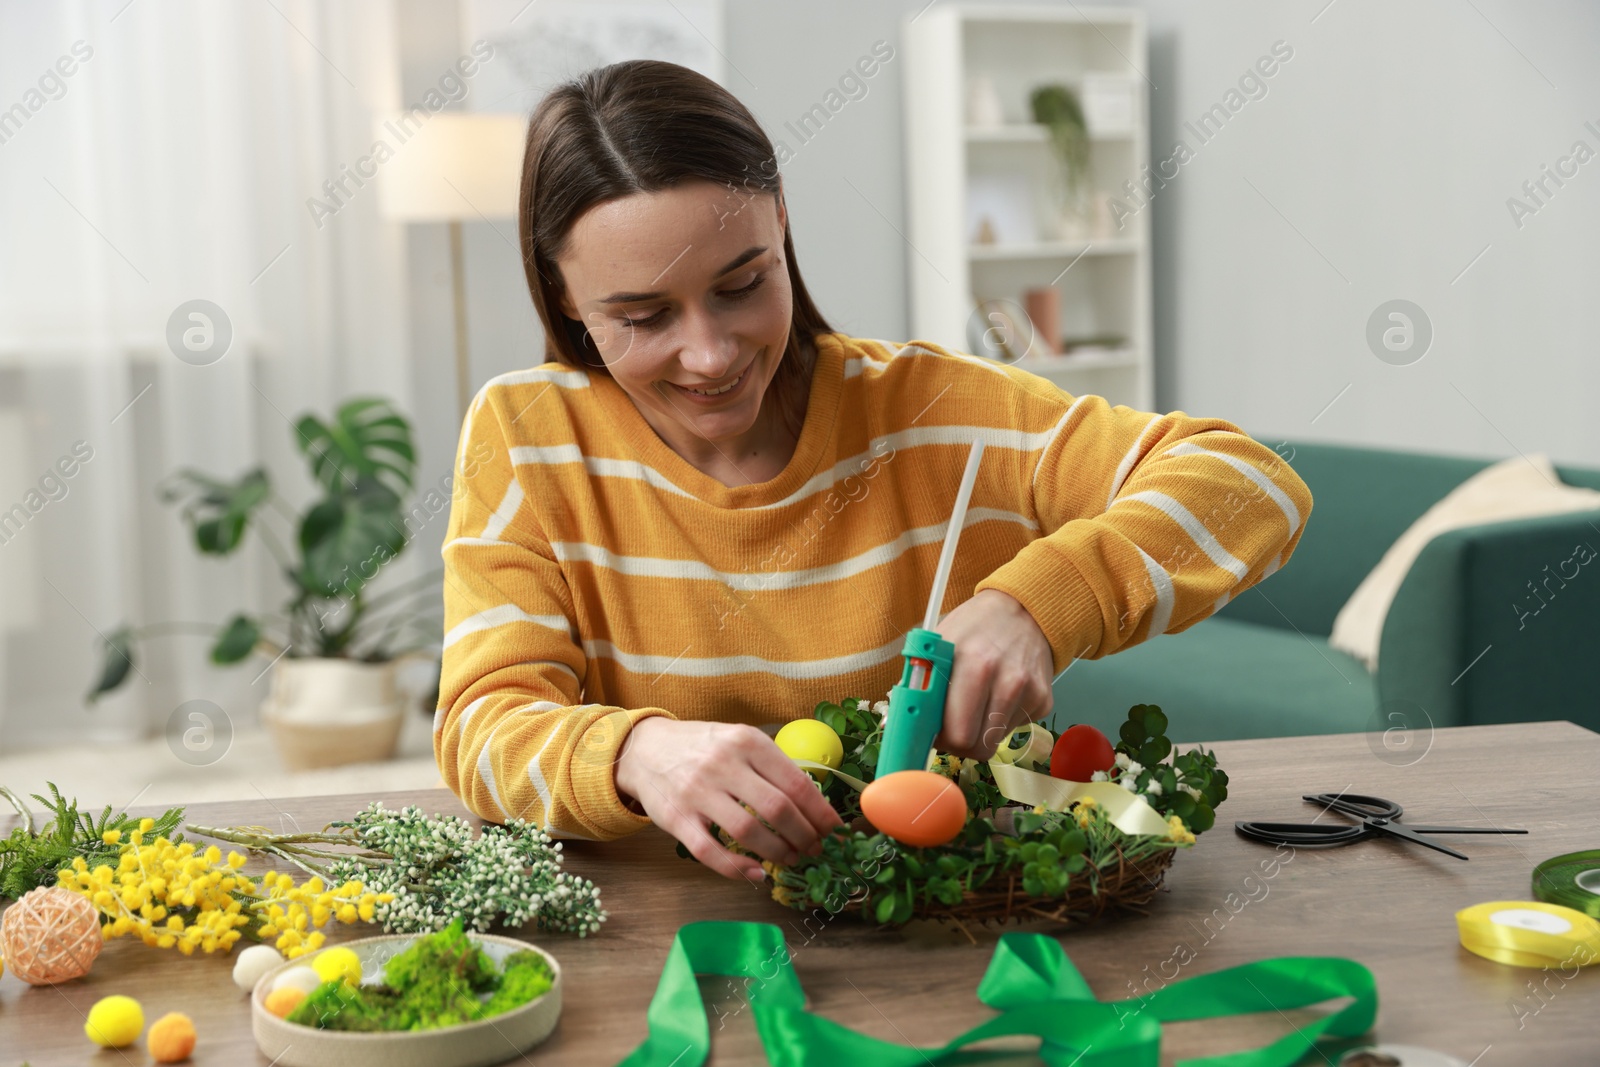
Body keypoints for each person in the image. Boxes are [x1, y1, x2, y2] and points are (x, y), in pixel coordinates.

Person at [435, 59, 1312, 883]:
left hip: (950, 931)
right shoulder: (525, 434)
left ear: (780, 223)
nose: (708, 355)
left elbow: (1254, 484)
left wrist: (1039, 607)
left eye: (742, 284)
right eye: (642, 315)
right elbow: (482, 725)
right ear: (565, 301)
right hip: (664, 953)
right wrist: (635, 753)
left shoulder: (935, 411)